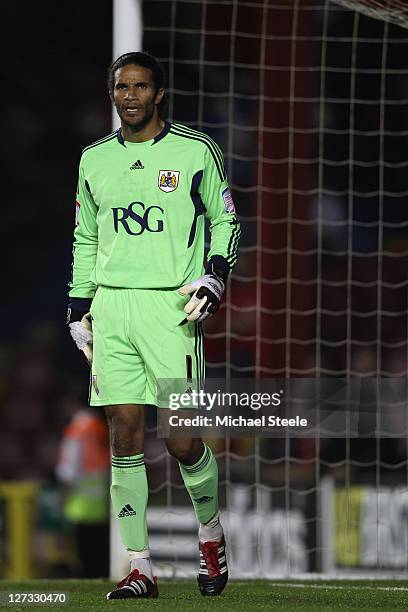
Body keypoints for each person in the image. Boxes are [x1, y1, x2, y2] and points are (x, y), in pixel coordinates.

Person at [67, 51, 240, 600]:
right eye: (122, 87)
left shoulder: (195, 150)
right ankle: (140, 566)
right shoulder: (94, 159)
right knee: (122, 434)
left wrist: (215, 277)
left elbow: (226, 218)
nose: (131, 96)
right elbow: (86, 237)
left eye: (141, 87)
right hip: (113, 308)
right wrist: (78, 306)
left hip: (172, 308)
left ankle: (210, 536)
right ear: (112, 93)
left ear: (158, 93)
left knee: (183, 440)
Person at [55, 405, 110, 577]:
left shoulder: (75, 432)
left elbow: (68, 472)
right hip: (103, 504)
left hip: (80, 505)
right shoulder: (103, 428)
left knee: (84, 557)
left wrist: (62, 498)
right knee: (101, 556)